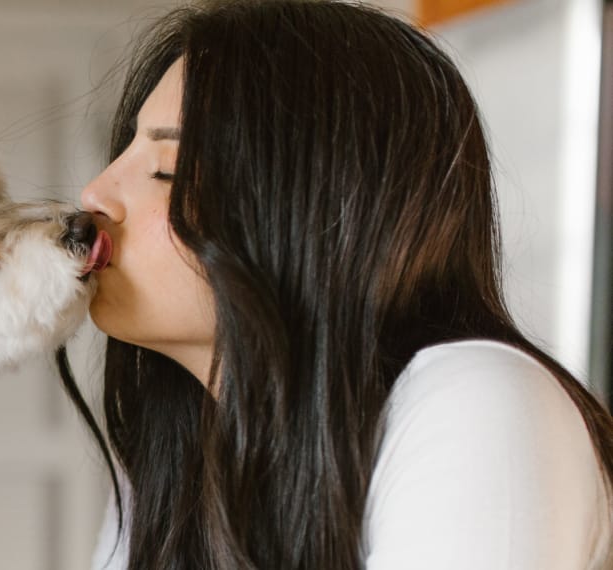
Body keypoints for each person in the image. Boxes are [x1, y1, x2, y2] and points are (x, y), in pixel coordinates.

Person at [66, 1, 613, 568]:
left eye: (166, 169)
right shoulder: (168, 479)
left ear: (310, 209)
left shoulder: (477, 403)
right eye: (122, 152)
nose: (93, 194)